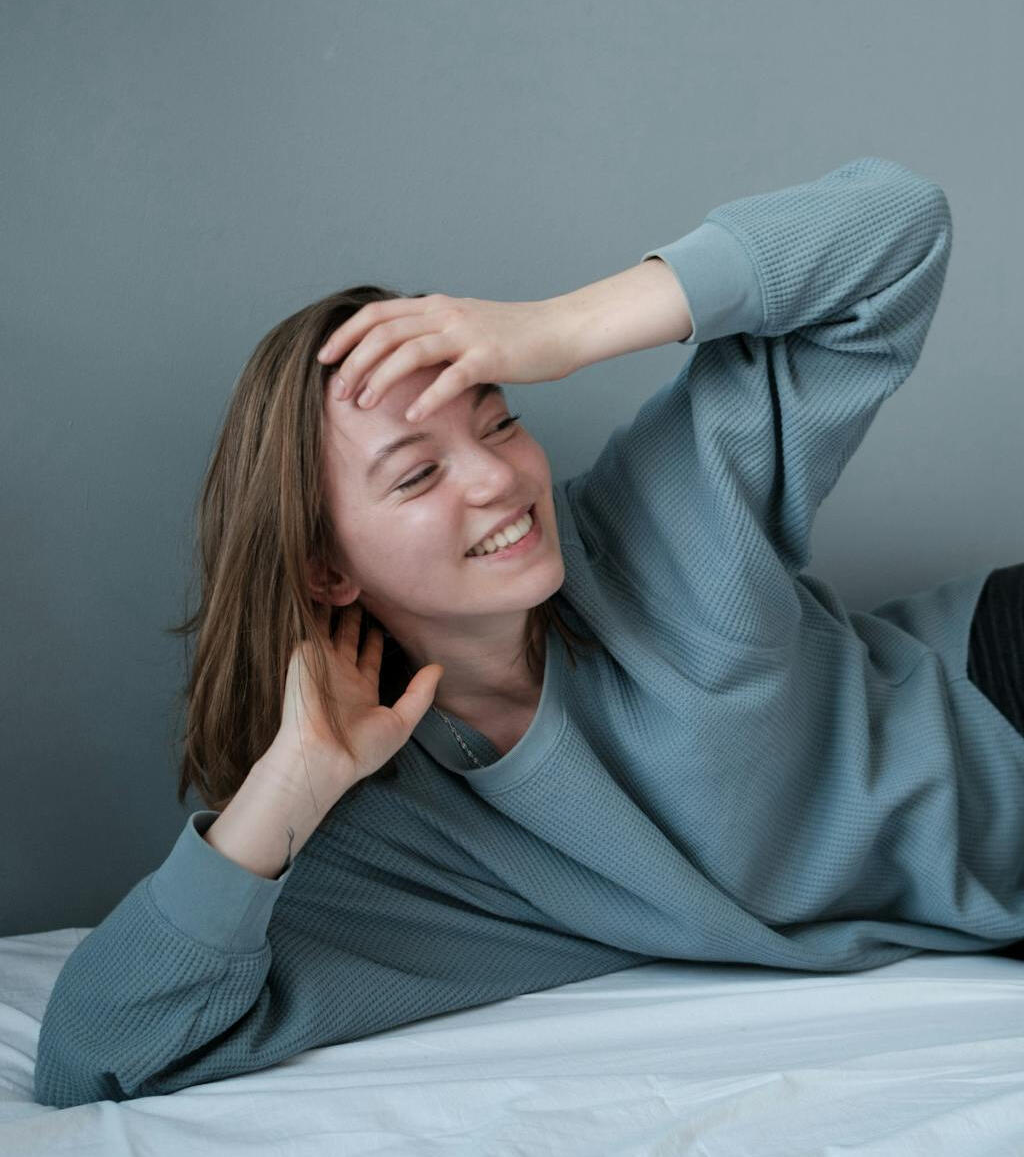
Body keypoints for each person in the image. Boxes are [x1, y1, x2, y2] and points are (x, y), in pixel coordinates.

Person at [35, 156, 1024, 1110]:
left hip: (996, 687)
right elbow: (95, 1055)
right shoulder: (394, 841)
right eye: (418, 474)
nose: (501, 478)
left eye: (500, 421)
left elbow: (895, 225)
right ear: (327, 569)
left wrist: (561, 326)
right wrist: (292, 781)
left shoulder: (657, 518)